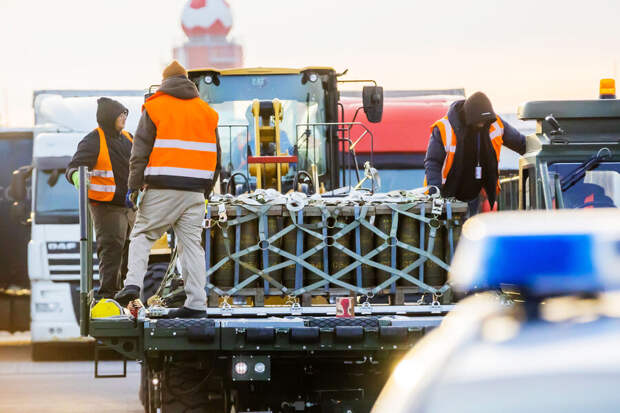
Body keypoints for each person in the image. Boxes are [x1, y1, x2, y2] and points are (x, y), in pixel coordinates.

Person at [115, 60, 221, 318]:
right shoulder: (207, 112)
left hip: (162, 187)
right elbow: (217, 157)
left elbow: (139, 153)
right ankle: (196, 304)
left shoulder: (155, 107)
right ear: (189, 82)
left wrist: (133, 188)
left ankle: (132, 286)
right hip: (195, 191)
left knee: (142, 234)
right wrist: (205, 191)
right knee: (192, 247)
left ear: (164, 82)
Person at [65, 98, 135, 299]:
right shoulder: (93, 140)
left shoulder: (129, 138)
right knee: (112, 249)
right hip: (105, 207)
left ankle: (124, 294)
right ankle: (108, 295)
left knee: (131, 250)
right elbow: (72, 167)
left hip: (129, 206)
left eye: (125, 114)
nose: (123, 118)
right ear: (108, 117)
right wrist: (76, 175)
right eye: (120, 114)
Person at [424, 92, 526, 215]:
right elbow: (433, 162)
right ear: (469, 118)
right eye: (479, 122)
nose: (482, 125)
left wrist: (542, 153)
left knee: (469, 230)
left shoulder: (494, 123)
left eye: (485, 122)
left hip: (473, 196)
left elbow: (521, 144)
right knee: (448, 232)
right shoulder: (443, 128)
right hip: (446, 196)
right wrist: (435, 195)